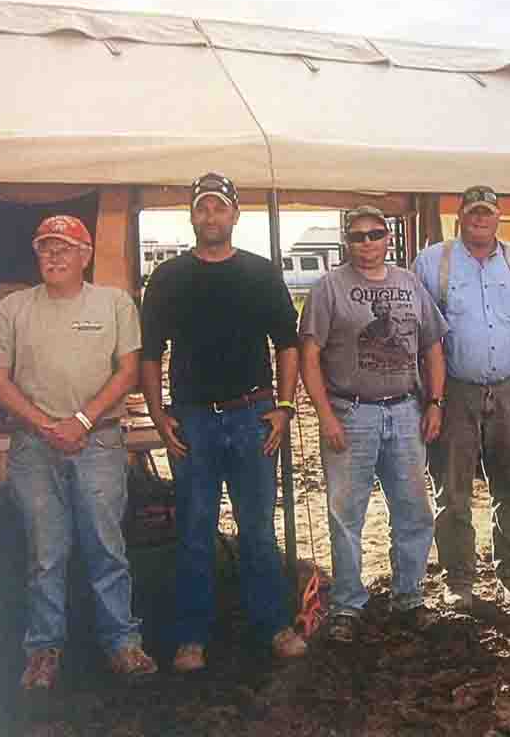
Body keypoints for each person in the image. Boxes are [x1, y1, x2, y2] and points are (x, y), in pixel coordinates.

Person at [140, 172, 307, 672]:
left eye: (219, 208)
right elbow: (149, 353)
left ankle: (274, 625)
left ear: (235, 215)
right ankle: (191, 638)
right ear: (192, 216)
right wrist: (156, 411)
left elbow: (288, 344)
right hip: (193, 422)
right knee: (194, 529)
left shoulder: (260, 273)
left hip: (253, 415)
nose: (210, 216)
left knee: (257, 530)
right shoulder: (168, 277)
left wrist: (283, 406)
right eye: (202, 208)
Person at [0, 215, 156, 690]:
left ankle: (122, 642)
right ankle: (43, 650)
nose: (54, 256)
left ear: (86, 255)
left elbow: (127, 371)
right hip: (33, 447)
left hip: (98, 441)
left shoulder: (115, 303)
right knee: (45, 552)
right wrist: (46, 425)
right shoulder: (12, 309)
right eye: (45, 248)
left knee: (107, 546)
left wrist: (80, 421)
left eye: (65, 248)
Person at [299, 206, 448, 641]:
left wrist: (435, 403)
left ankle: (410, 596)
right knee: (346, 514)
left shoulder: (409, 284)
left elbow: (433, 348)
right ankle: (347, 605)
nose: (367, 243)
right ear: (347, 242)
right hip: (352, 411)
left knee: (414, 510)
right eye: (358, 236)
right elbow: (309, 356)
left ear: (389, 239)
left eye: (375, 234)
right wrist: (325, 414)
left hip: (405, 410)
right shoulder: (328, 288)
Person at [413, 185, 510, 610]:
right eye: (473, 212)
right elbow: (418, 335)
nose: (480, 219)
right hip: (454, 391)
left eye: (487, 212)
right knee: (452, 492)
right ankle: (459, 580)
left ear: (498, 218)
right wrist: (429, 397)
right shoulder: (432, 262)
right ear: (460, 216)